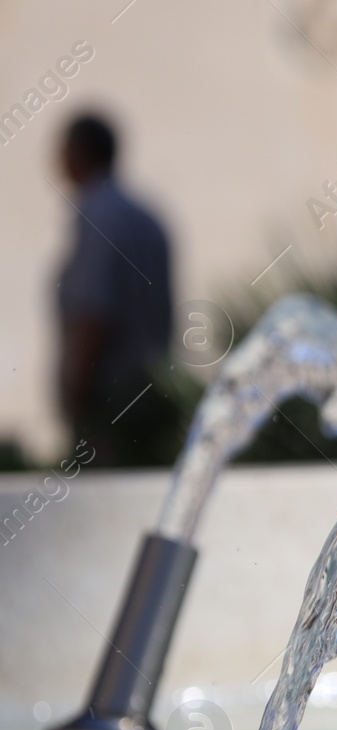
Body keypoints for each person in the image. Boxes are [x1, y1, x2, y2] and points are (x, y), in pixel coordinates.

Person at [56, 112, 180, 466]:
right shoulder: (147, 215)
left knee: (99, 505)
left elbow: (92, 312)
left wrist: (75, 393)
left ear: (79, 154)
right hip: (152, 395)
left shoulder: (97, 212)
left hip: (106, 404)